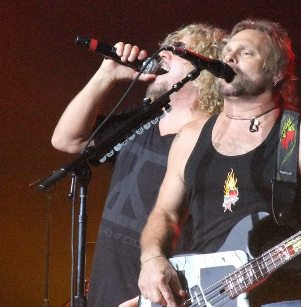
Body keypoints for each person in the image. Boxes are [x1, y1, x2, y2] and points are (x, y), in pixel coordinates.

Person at [131, 18, 301, 307]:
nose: (230, 57)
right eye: (227, 52)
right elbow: (165, 215)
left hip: (285, 296)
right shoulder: (191, 137)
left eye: (246, 53)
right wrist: (152, 258)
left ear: (276, 72)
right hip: (210, 296)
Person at [51, 23, 226, 307]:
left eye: (177, 50)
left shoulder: (216, 138)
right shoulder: (145, 119)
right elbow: (68, 140)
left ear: (205, 69)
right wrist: (105, 75)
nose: (162, 54)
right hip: (106, 292)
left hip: (161, 296)